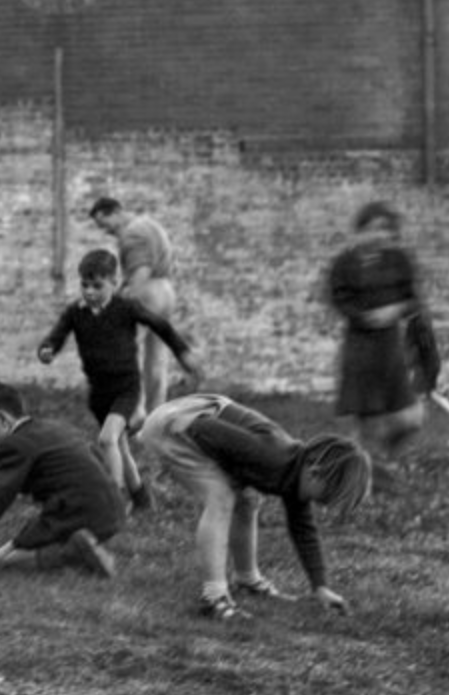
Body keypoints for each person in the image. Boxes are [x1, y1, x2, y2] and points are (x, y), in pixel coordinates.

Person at [134, 394, 372, 621]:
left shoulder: (294, 475)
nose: (324, 505)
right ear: (314, 472)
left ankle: (247, 579)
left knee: (247, 500)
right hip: (175, 425)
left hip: (192, 421)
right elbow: (203, 429)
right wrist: (226, 471)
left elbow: (304, 531)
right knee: (221, 497)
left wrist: (320, 587)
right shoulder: (271, 455)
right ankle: (214, 597)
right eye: (326, 496)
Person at [39, 248, 205, 511]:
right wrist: (47, 349)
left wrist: (183, 353)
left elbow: (160, 325)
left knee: (107, 440)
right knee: (119, 447)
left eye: (97, 286)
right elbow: (56, 336)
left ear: (113, 284)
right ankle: (141, 498)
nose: (90, 292)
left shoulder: (125, 308)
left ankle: (113, 503)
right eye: (85, 285)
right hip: (99, 393)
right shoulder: (75, 312)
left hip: (125, 389)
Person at [0, 381, 124, 578]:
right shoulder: (53, 427)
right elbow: (95, 458)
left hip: (77, 512)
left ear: (2, 420)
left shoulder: (15, 445)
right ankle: (83, 551)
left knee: (1, 561)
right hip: (112, 509)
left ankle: (73, 552)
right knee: (8, 552)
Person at [326, 201, 432, 473]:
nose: (380, 235)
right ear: (360, 231)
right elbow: (339, 299)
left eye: (386, 230)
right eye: (373, 229)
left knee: (412, 417)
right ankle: (363, 471)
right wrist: (364, 317)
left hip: (390, 345)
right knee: (368, 416)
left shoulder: (399, 260)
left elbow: (412, 299)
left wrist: (395, 310)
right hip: (360, 346)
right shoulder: (344, 263)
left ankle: (372, 457)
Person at [88, 196, 181, 415]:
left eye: (105, 224)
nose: (106, 231)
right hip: (166, 291)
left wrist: (125, 304)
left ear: (115, 212)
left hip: (148, 292)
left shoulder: (131, 234)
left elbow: (141, 270)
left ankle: (133, 413)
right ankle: (157, 416)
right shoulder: (150, 225)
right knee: (156, 359)